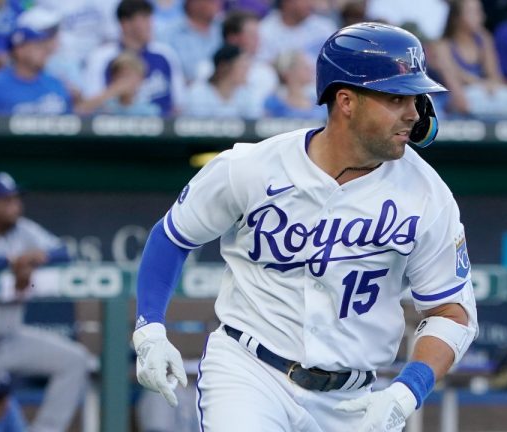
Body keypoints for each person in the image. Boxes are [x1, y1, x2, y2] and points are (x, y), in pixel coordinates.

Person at [132, 22, 478, 432]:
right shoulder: (251, 167)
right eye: (395, 98)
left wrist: (407, 391)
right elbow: (173, 235)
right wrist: (150, 330)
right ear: (346, 100)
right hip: (251, 373)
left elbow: (451, 313)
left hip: (353, 399)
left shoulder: (428, 195)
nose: (414, 113)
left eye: (417, 99)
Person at [0, 172, 91, 432]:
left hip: (13, 339)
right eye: (6, 200)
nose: (15, 204)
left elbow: (64, 253)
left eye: (16, 198)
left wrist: (35, 258)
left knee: (74, 360)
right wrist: (11, 263)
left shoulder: (24, 230)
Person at [82, 0, 184, 117]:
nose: (150, 24)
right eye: (144, 18)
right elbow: (87, 108)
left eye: (150, 18)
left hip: (162, 128)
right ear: (125, 23)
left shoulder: (165, 54)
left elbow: (179, 105)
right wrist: (117, 89)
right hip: (114, 128)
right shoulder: (101, 57)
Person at [432, 0, 507, 117]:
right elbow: (457, 95)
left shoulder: (484, 40)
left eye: (480, 11)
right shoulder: (442, 46)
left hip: (482, 96)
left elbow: (496, 79)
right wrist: (481, 84)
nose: (481, 16)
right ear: (456, 17)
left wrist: (485, 86)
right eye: (473, 12)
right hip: (452, 101)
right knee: (468, 100)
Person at [0, 8, 73, 114]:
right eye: (39, 45)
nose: (46, 50)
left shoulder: (55, 84)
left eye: (46, 44)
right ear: (19, 49)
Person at [181, 44, 262, 119]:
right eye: (242, 67)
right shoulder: (198, 93)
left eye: (247, 67)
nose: (246, 72)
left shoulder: (247, 94)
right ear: (223, 67)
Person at [157, 0, 224, 84]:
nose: (217, 3)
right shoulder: (168, 34)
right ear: (192, 3)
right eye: (211, 1)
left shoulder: (224, 26)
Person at [256, 0, 338, 64]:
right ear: (287, 2)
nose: (309, 3)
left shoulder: (325, 27)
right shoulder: (265, 30)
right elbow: (264, 68)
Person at [263, 50, 326, 120]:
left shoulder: (321, 103)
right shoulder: (273, 103)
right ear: (289, 72)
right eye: (304, 66)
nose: (310, 69)